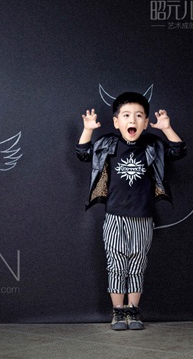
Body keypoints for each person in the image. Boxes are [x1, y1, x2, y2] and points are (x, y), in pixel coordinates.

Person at [76, 92, 186, 331]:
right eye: (126, 115)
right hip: (114, 217)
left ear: (145, 123)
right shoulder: (108, 144)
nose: (132, 120)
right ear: (117, 122)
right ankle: (118, 312)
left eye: (138, 116)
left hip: (143, 217)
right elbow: (83, 153)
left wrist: (166, 129)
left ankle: (133, 311)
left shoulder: (152, 146)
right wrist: (87, 130)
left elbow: (178, 150)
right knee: (116, 264)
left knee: (137, 264)